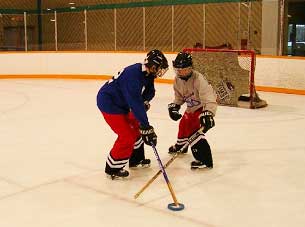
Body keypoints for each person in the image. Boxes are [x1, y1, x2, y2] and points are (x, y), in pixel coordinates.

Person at [97, 50, 169, 179]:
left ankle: (136, 160)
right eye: (159, 68)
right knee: (127, 136)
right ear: (153, 66)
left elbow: (150, 91)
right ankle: (112, 168)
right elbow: (134, 103)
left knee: (137, 129)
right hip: (110, 104)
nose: (160, 71)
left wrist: (145, 101)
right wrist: (146, 125)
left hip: (123, 103)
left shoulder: (147, 74)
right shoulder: (133, 75)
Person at [168, 52, 217, 169]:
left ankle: (204, 159)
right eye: (178, 70)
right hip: (191, 108)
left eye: (183, 70)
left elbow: (209, 97)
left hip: (201, 108)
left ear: (190, 68)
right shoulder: (177, 80)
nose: (180, 72)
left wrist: (208, 113)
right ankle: (181, 146)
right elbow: (179, 97)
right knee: (183, 124)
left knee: (194, 132)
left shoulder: (199, 79)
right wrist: (175, 105)